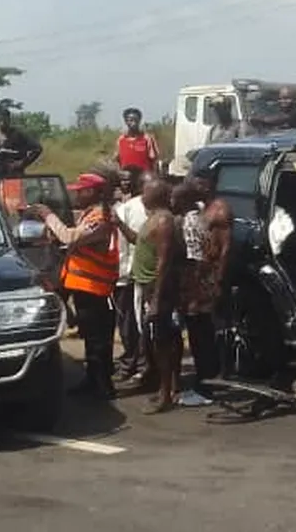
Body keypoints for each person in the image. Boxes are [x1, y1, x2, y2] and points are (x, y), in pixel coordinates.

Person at [29, 172, 119, 399]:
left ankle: (101, 386)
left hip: (94, 288)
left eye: (80, 191)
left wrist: (49, 216)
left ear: (92, 192)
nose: (76, 195)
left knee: (97, 341)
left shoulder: (99, 217)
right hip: (85, 286)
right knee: (91, 338)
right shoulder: (91, 214)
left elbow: (70, 237)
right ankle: (93, 381)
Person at [130, 178, 183, 414]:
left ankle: (165, 394)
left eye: (145, 191)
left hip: (157, 287)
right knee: (158, 341)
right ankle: (167, 388)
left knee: (161, 342)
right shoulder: (152, 219)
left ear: (156, 195)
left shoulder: (163, 221)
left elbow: (164, 263)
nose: (142, 195)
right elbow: (139, 242)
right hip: (148, 286)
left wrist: (157, 299)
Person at [176, 178, 232, 400]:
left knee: (202, 335)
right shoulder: (202, 210)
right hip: (201, 280)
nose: (196, 185)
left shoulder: (218, 210)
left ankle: (207, 385)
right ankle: (208, 379)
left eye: (200, 182)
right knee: (201, 334)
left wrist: (216, 280)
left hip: (202, 282)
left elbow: (224, 249)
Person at [111, 166, 151, 383]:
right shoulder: (126, 209)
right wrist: (121, 274)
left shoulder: (159, 210)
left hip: (147, 277)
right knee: (128, 325)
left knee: (143, 324)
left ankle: (142, 365)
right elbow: (121, 246)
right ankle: (130, 362)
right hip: (127, 275)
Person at [0, 108, 43, 178]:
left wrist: (22, 163)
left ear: (9, 120)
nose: (2, 123)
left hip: (15, 175)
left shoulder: (18, 134)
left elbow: (37, 148)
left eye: (4, 120)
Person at [115, 108, 160, 173]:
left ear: (139, 121)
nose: (133, 123)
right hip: (125, 176)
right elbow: (117, 159)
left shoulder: (147, 138)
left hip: (143, 177)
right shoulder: (121, 140)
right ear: (126, 122)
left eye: (136, 120)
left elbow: (153, 159)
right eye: (130, 120)